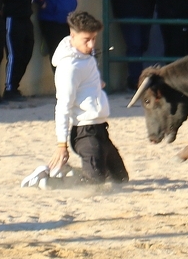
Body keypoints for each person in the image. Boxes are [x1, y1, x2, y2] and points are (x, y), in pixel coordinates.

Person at [48, 11, 128, 185]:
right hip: (85, 133)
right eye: (86, 40)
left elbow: (86, 80)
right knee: (94, 184)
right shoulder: (68, 67)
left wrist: (96, 83)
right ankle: (54, 178)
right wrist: (62, 145)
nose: (91, 44)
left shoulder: (86, 55)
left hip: (101, 130)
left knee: (121, 179)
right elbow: (62, 107)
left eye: (94, 38)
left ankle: (72, 172)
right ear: (72, 35)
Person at [2, 0, 35, 101]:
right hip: (12, 21)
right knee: (14, 55)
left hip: (26, 21)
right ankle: (9, 89)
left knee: (26, 54)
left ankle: (15, 86)